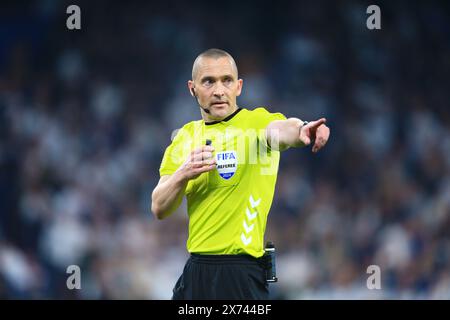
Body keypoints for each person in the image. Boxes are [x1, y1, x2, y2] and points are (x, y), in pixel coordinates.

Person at [151, 48, 330, 300]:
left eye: (227, 80)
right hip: (196, 271)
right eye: (209, 81)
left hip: (240, 273)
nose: (219, 90)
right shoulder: (184, 138)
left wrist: (302, 130)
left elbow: (281, 129)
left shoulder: (255, 124)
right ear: (192, 88)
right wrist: (183, 174)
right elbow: (159, 207)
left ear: (239, 86)